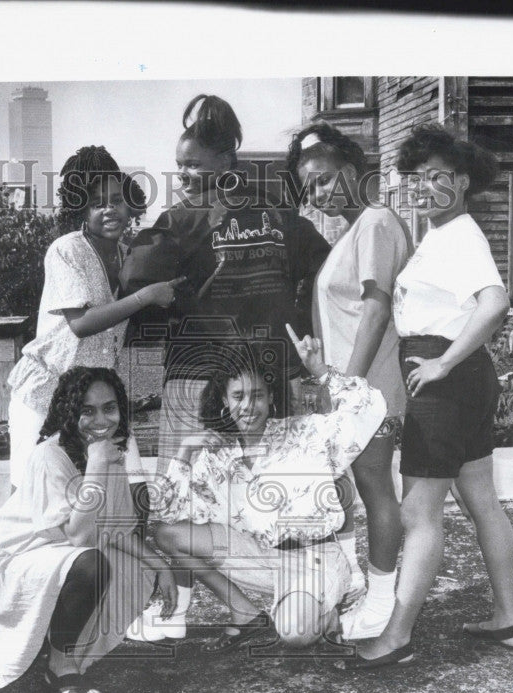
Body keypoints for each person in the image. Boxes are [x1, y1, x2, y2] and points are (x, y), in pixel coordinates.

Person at [118, 95, 331, 640]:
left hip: (249, 386)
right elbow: (142, 305)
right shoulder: (182, 223)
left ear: (227, 165)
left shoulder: (266, 219)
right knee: (189, 503)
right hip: (219, 382)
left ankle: (284, 597)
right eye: (180, 165)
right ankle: (189, 611)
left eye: (195, 165)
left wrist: (312, 355)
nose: (185, 174)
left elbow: (327, 277)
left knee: (248, 497)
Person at [339, 124, 513, 671]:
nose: (421, 187)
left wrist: (444, 361)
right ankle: (507, 619)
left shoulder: (460, 235)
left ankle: (396, 636)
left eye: (435, 177)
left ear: (462, 182)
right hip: (463, 381)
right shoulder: (441, 236)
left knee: (419, 510)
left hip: (445, 379)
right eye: (414, 178)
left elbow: (495, 302)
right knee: (481, 500)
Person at [145, 326, 387, 650]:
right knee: (168, 534)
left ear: (271, 397)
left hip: (316, 558)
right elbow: (164, 514)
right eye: (238, 396)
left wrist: (320, 371)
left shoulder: (305, 432)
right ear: (223, 400)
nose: (248, 406)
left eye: (257, 395)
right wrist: (184, 452)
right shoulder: (217, 456)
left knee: (295, 634)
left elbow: (369, 408)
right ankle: (246, 616)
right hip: (263, 560)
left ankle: (330, 609)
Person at [0, 367, 177, 693]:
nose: (102, 419)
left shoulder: (110, 451)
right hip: (5, 560)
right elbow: (82, 537)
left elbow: (113, 530)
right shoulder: (50, 455)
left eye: (109, 408)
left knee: (132, 567)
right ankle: (59, 665)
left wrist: (160, 565)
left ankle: (52, 639)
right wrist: (96, 466)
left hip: (53, 553)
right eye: (87, 410)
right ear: (70, 412)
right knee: (92, 564)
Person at [286, 123, 414, 638]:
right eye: (310, 186)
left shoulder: (377, 222)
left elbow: (377, 309)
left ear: (354, 171)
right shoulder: (352, 229)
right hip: (345, 388)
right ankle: (358, 586)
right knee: (348, 490)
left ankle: (382, 602)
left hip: (368, 389)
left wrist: (351, 389)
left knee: (374, 489)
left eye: (325, 179)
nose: (319, 193)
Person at [7, 146, 184, 489]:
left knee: (134, 488)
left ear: (130, 204)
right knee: (29, 493)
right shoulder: (67, 249)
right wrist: (145, 296)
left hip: (98, 400)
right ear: (79, 209)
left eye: (116, 199)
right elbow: (82, 323)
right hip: (46, 390)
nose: (109, 209)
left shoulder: (127, 255)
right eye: (96, 202)